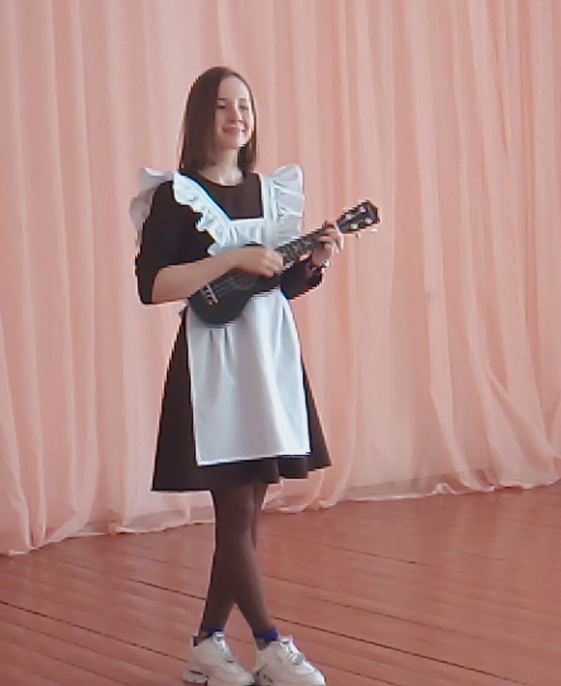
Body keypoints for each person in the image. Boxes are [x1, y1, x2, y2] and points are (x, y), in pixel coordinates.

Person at [131, 66, 340, 686]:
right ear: (203, 116)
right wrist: (232, 259)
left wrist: (313, 263)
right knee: (233, 514)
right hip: (213, 366)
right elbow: (153, 285)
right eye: (223, 106)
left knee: (246, 513)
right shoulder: (176, 195)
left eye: (244, 105)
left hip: (267, 360)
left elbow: (271, 286)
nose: (237, 116)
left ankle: (207, 644)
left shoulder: (270, 192)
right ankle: (271, 645)